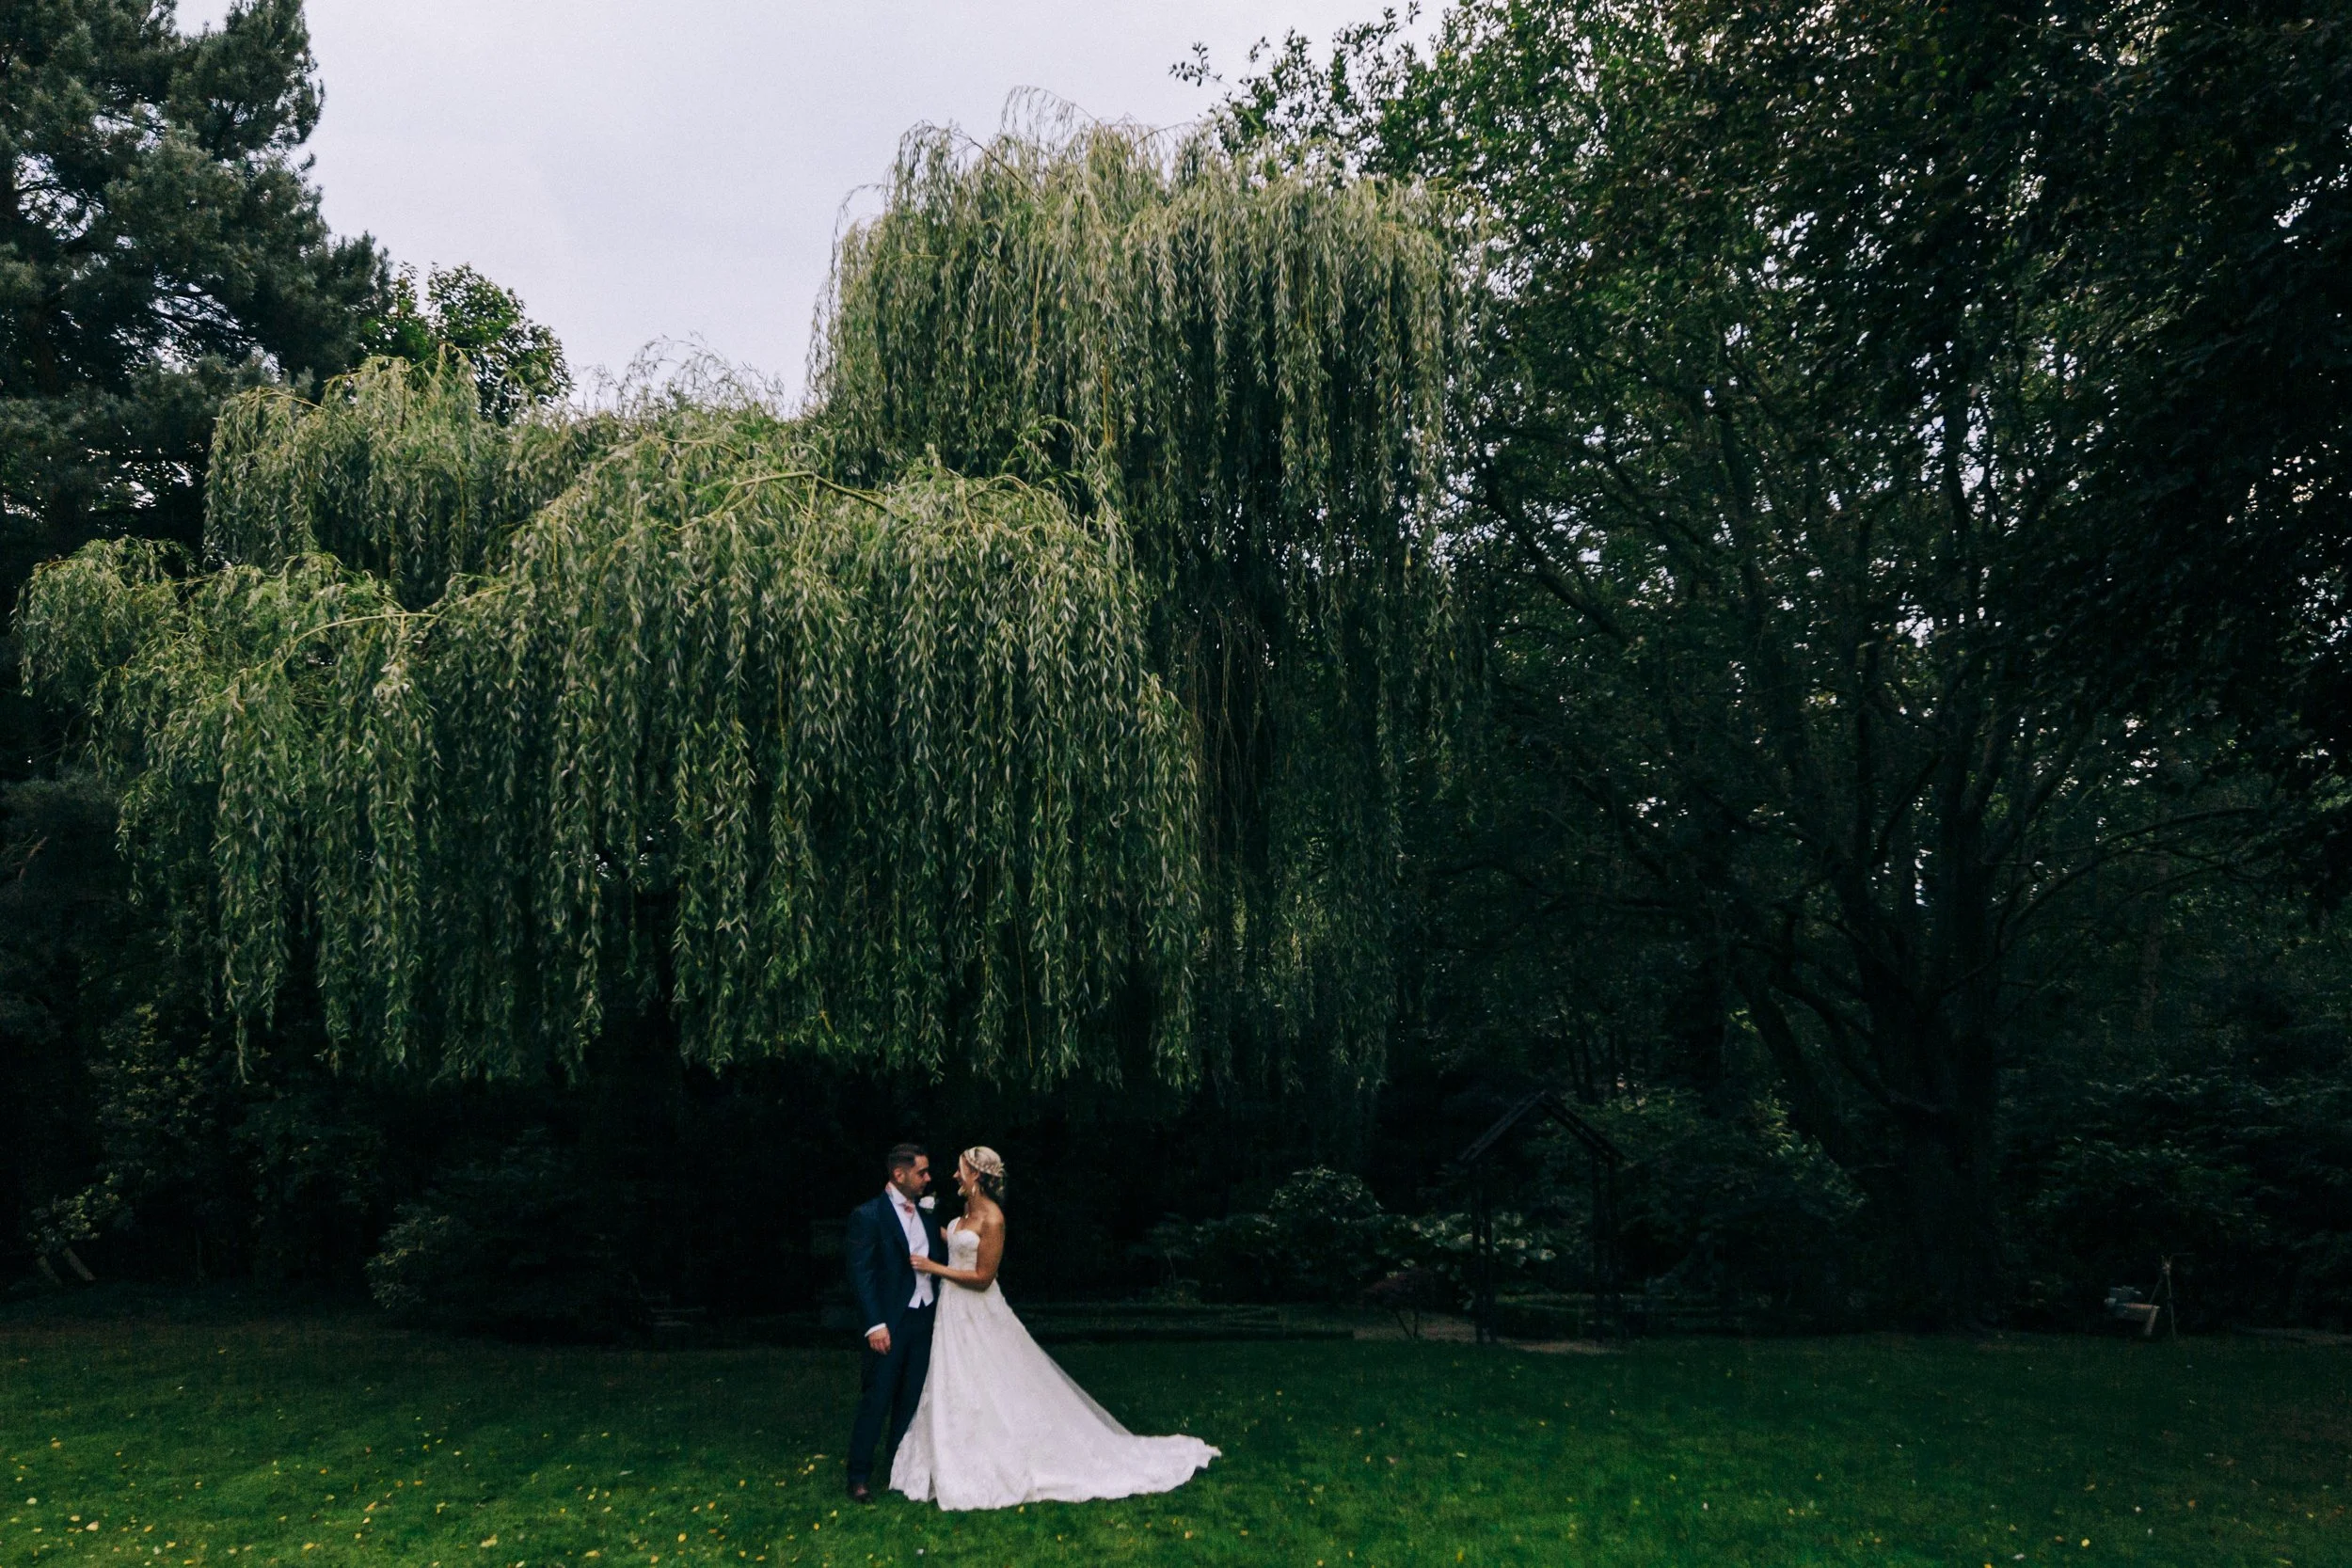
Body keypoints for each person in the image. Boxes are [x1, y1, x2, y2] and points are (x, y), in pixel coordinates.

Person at [888, 1146, 1219, 1510]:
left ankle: (1003, 1455)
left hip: (978, 1309)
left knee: (992, 1378)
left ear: (976, 1176)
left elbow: (983, 1277)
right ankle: (956, 1452)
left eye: (960, 1170)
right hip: (952, 1313)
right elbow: (958, 1243)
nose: (954, 1175)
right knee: (956, 1379)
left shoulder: (993, 1218)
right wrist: (922, 1223)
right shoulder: (966, 1211)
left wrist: (934, 1269)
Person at [843, 1142, 945, 1502]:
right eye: (922, 1172)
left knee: (911, 1399)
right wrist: (875, 1325)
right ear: (898, 1174)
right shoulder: (868, 1215)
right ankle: (858, 1476)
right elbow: (862, 1274)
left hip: (924, 1318)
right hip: (889, 1323)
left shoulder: (928, 1213)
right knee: (877, 1398)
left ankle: (899, 1469)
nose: (928, 1179)